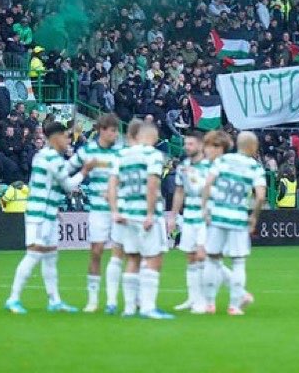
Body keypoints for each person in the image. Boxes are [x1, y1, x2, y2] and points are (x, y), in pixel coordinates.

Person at [5, 121, 98, 314]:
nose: (67, 140)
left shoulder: (46, 156)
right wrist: (85, 170)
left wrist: (79, 158)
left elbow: (59, 175)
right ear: (56, 137)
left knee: (50, 257)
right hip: (40, 215)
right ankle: (13, 298)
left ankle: (54, 300)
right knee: (34, 254)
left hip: (48, 214)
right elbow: (68, 185)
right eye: (65, 136)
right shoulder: (51, 158)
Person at [109, 121, 172, 319]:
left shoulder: (121, 155)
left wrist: (115, 211)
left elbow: (112, 185)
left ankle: (128, 308)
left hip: (127, 214)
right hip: (144, 213)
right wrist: (150, 214)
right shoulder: (153, 155)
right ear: (152, 137)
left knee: (133, 258)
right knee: (153, 259)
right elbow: (152, 184)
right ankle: (148, 307)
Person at [201, 130, 266, 316]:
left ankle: (209, 304)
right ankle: (234, 306)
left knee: (212, 259)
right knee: (238, 262)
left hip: (218, 215)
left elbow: (208, 184)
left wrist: (204, 208)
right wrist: (254, 216)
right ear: (253, 147)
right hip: (237, 218)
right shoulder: (255, 167)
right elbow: (260, 197)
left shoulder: (223, 160)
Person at [67, 113, 123, 314]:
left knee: (118, 253)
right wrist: (81, 174)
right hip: (98, 210)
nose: (115, 134)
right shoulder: (87, 151)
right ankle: (92, 300)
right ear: (101, 130)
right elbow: (67, 168)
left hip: (118, 209)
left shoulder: (120, 153)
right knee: (96, 251)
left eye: (116, 131)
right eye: (112, 130)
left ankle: (112, 300)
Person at [167, 131, 210, 313]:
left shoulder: (209, 166)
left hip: (205, 217)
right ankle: (192, 298)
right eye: (186, 144)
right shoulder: (183, 166)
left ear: (200, 145)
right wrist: (173, 216)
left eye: (190, 144)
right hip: (189, 217)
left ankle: (204, 300)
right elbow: (179, 191)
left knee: (202, 256)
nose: (187, 147)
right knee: (191, 257)